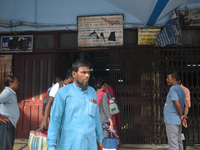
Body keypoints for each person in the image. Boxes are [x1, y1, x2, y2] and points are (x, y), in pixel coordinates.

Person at [47, 60, 104, 150]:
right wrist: (51, 146)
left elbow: (96, 117)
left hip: (90, 145)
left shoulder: (92, 92)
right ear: (74, 74)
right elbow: (55, 120)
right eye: (83, 72)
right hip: (69, 145)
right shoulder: (63, 93)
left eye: (88, 73)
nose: (87, 75)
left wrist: (99, 139)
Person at [164, 71, 189, 150]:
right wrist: (184, 116)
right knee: (179, 142)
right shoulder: (181, 89)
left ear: (174, 79)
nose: (166, 80)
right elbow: (187, 105)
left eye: (168, 78)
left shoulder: (173, 89)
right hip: (177, 121)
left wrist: (181, 115)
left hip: (172, 121)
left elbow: (177, 104)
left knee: (173, 144)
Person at [0, 75, 20, 150]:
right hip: (6, 125)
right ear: (11, 83)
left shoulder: (10, 92)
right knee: (6, 147)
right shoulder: (7, 93)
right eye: (16, 82)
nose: (18, 83)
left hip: (9, 125)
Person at [103, 80, 122, 148]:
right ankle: (115, 144)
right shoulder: (110, 88)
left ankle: (108, 145)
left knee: (106, 127)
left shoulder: (104, 89)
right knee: (113, 128)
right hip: (112, 110)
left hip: (107, 110)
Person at [179, 80, 191, 150]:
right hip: (177, 114)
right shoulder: (172, 89)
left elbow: (187, 105)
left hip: (183, 114)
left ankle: (183, 147)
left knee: (182, 132)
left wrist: (184, 117)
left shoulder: (185, 90)